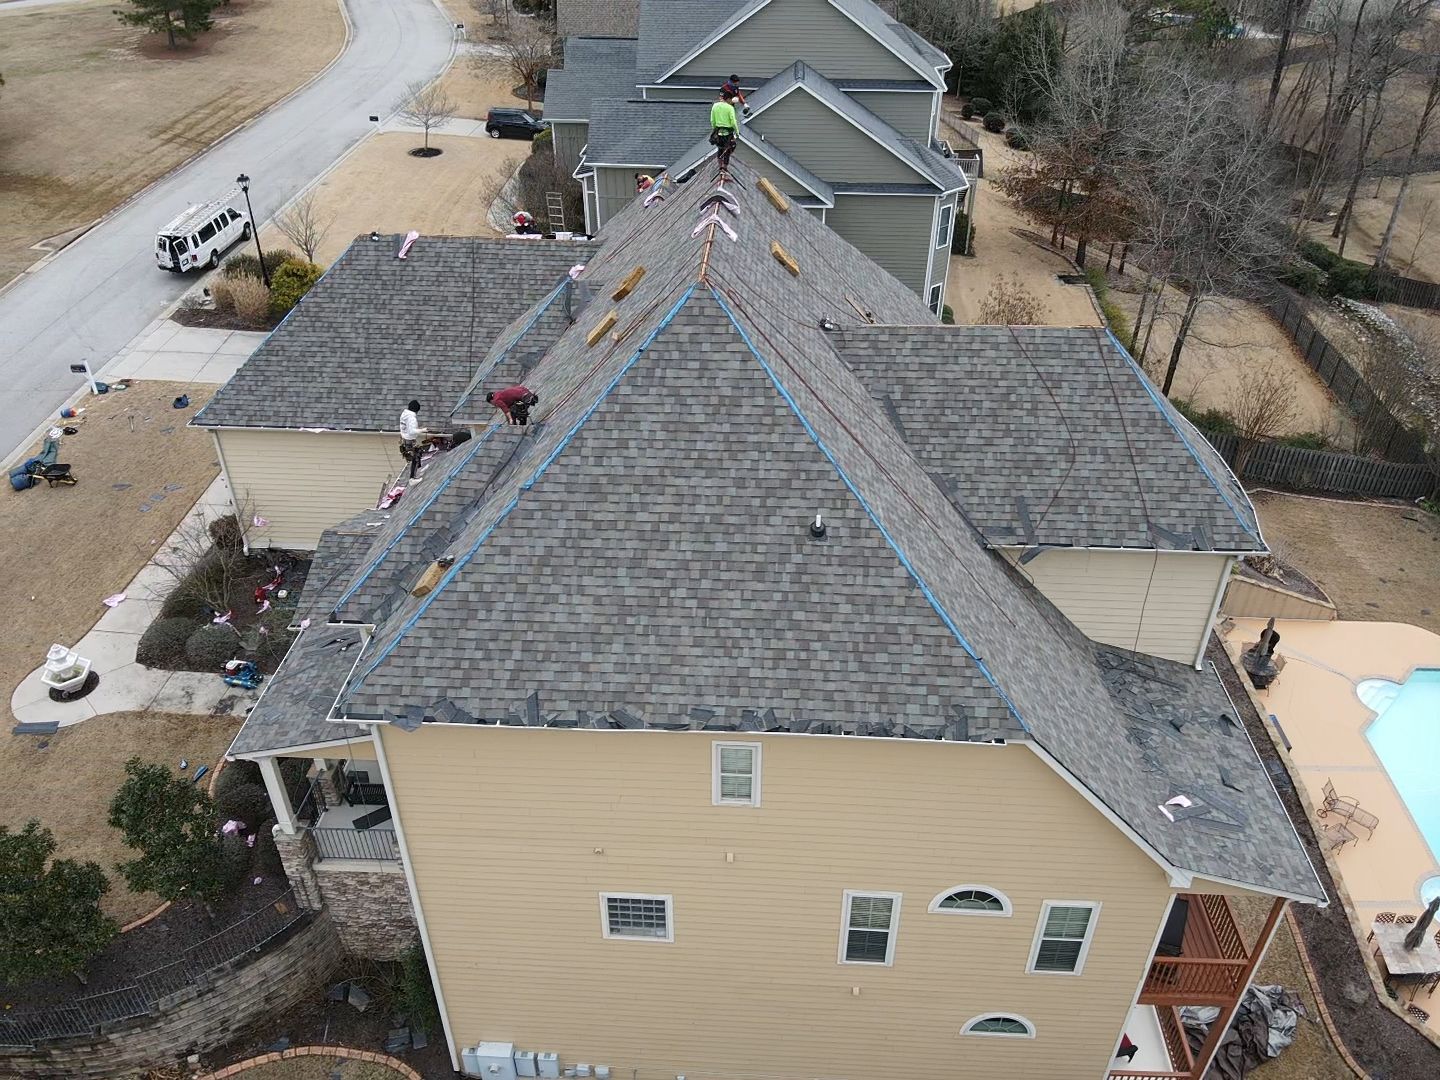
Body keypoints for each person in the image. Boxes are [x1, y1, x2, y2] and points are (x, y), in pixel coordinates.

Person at [709, 92, 739, 171]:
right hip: (728, 133)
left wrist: (714, 129)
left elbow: (712, 120)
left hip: (718, 132)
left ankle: (720, 166)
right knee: (728, 149)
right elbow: (733, 121)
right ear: (728, 99)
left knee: (720, 149)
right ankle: (724, 167)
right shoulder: (730, 108)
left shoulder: (715, 106)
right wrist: (737, 132)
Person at [399, 399, 428, 465]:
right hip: (410, 441)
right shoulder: (412, 418)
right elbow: (412, 431)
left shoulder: (404, 414)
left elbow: (408, 427)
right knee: (415, 458)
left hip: (404, 439)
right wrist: (423, 430)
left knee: (411, 459)